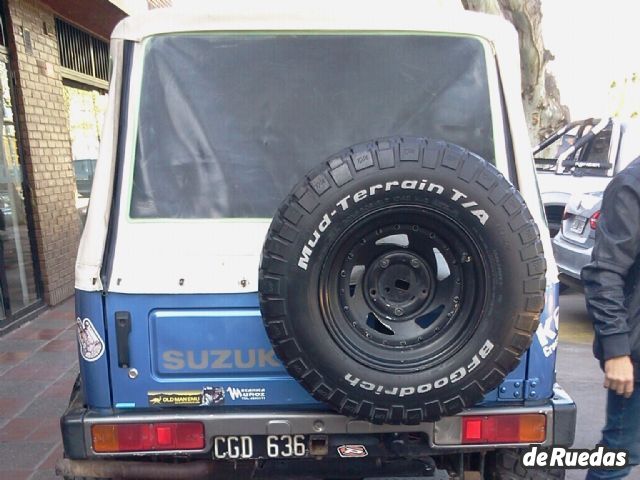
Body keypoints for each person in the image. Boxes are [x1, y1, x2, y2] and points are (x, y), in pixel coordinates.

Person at [582, 157, 640, 479]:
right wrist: (617, 350)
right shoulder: (632, 185)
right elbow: (604, 272)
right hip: (636, 356)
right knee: (618, 457)